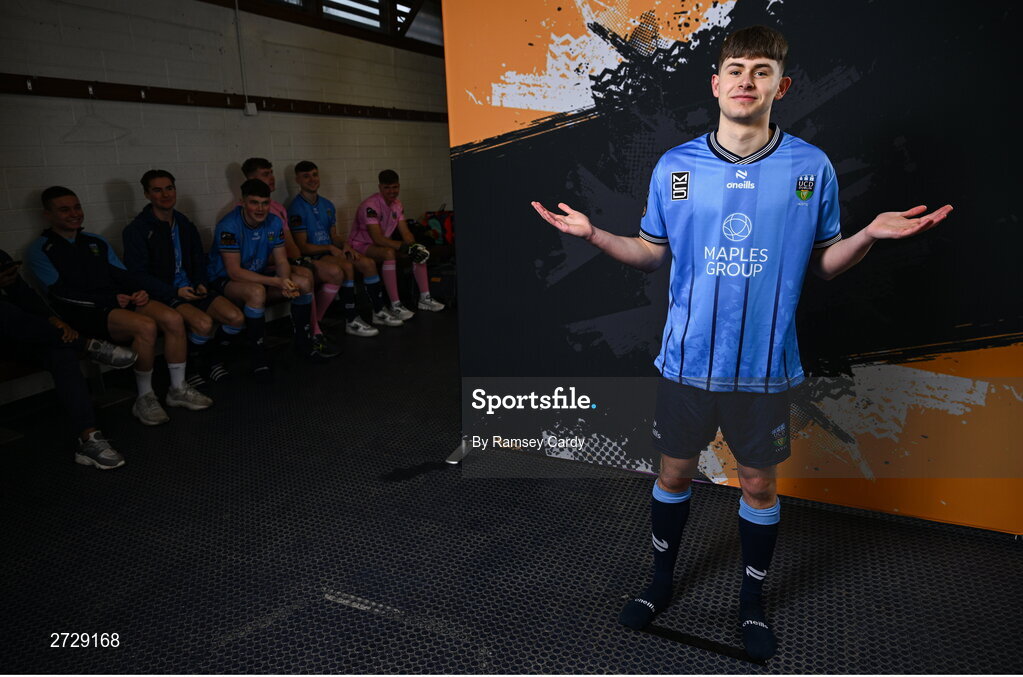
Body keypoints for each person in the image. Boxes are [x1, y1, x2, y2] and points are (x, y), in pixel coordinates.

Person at [531, 25, 952, 660]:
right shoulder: (676, 166)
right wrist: (593, 235)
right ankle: (661, 581)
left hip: (763, 367)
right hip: (686, 362)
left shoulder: (810, 167)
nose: (745, 81)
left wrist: (867, 234)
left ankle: (751, 604)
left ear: (780, 86)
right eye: (735, 70)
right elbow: (650, 256)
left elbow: (824, 264)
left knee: (757, 486)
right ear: (715, 83)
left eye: (760, 71)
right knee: (674, 472)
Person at [28, 186, 213, 427]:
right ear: (48, 215)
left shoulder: (96, 242)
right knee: (145, 326)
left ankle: (177, 388)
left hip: (115, 303)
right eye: (64, 210)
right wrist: (112, 300)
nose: (74, 213)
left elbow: (123, 276)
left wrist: (137, 292)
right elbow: (61, 295)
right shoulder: (40, 249)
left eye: (77, 207)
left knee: (173, 318)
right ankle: (144, 398)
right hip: (82, 313)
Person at [1, 248, 136, 469]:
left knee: (60, 352)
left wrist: (54, 321)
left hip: (20, 337)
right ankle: (87, 344)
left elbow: (25, 296)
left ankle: (89, 438)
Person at [123, 170, 245, 387]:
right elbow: (137, 275)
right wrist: (174, 292)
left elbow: (198, 259)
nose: (165, 194)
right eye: (157, 190)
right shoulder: (137, 229)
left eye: (169, 188)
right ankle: (193, 367)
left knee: (235, 317)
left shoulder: (184, 223)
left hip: (190, 287)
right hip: (164, 293)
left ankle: (210, 357)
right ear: (146, 194)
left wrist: (200, 282)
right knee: (204, 323)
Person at [207, 178, 322, 383]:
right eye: (254, 202)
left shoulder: (274, 221)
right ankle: (257, 356)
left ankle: (303, 343)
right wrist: (277, 282)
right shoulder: (228, 226)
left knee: (302, 283)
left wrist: (285, 280)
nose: (260, 208)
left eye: (265, 203)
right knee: (256, 292)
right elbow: (234, 272)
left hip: (258, 274)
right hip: (224, 280)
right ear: (242, 202)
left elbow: (280, 259)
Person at [241, 157, 340, 356]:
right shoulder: (244, 211)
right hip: (256, 272)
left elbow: (290, 245)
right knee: (306, 278)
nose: (272, 177)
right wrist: (296, 264)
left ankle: (313, 328)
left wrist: (299, 261)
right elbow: (249, 257)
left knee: (329, 272)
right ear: (251, 179)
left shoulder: (277, 207)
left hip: (281, 264)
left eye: (271, 172)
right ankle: (311, 333)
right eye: (265, 174)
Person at [288, 160, 393, 337]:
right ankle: (351, 320)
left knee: (367, 263)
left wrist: (344, 245)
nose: (312, 179)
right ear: (297, 179)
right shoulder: (296, 208)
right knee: (346, 266)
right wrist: (330, 247)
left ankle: (378, 311)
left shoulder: (327, 205)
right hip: (314, 256)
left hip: (330, 251)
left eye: (314, 175)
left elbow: (334, 235)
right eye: (306, 176)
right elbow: (302, 246)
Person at [349, 169, 446, 320]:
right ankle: (395, 305)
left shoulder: (397, 204)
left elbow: (405, 232)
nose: (391, 191)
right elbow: (377, 238)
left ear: (399, 186)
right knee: (389, 252)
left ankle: (424, 298)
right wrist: (403, 246)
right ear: (380, 187)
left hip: (380, 244)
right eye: (387, 188)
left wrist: (413, 246)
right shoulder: (370, 206)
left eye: (394, 187)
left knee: (417, 250)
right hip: (360, 245)